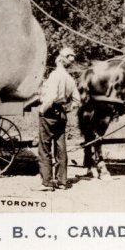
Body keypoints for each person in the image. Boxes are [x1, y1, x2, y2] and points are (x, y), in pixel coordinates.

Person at [36, 47, 81, 191]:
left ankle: (47, 183)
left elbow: (51, 97)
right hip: (62, 114)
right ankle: (62, 182)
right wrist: (67, 109)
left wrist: (42, 110)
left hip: (49, 113)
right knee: (61, 148)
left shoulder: (55, 75)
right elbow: (77, 101)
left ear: (60, 59)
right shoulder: (70, 79)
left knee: (45, 148)